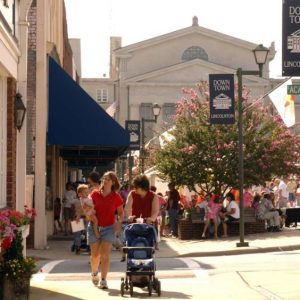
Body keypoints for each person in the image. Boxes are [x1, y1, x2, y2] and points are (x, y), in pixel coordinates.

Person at [88, 171, 124, 289]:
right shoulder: (94, 194)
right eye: (104, 178)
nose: (105, 180)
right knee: (95, 255)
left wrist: (119, 222)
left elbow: (121, 212)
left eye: (108, 179)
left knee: (105, 255)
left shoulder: (116, 197)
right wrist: (89, 214)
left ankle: (103, 280)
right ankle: (94, 273)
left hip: (109, 228)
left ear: (113, 182)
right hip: (94, 227)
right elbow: (87, 209)